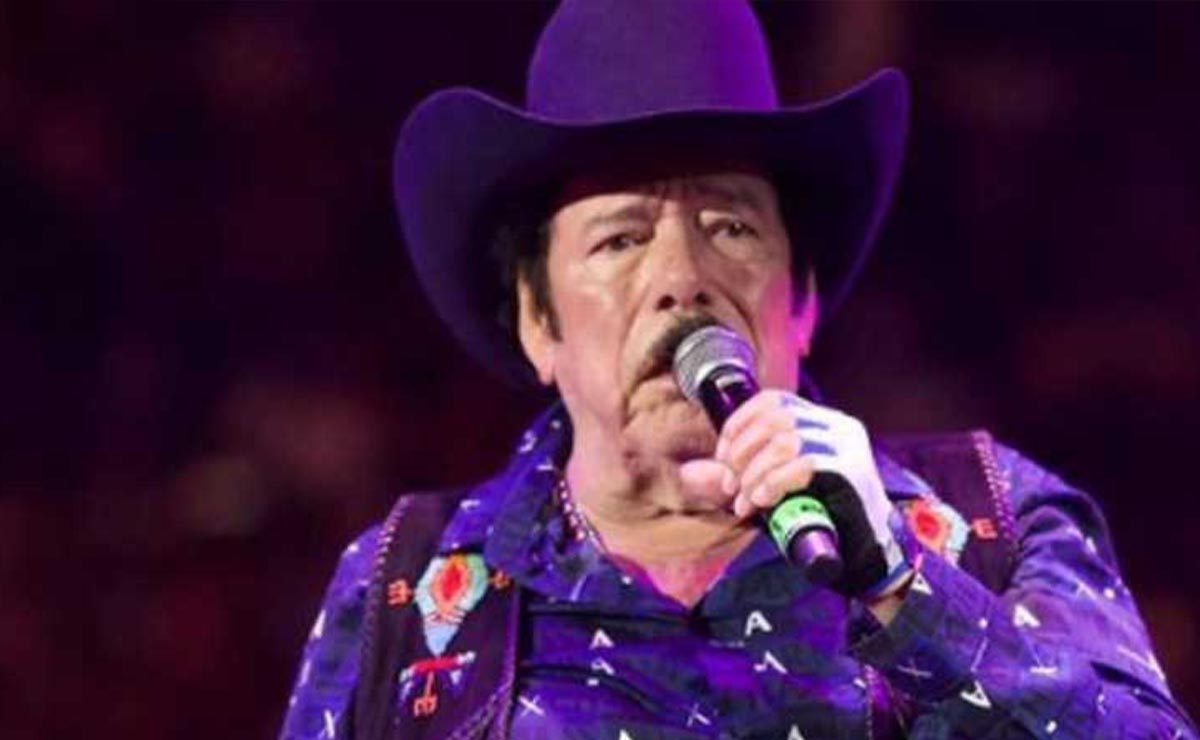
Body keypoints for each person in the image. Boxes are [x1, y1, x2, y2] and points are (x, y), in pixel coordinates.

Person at [280, 1, 1196, 738]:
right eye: (620, 239)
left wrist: (902, 589)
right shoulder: (407, 588)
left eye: (730, 226)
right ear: (536, 320)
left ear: (803, 300)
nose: (683, 278)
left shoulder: (992, 520)